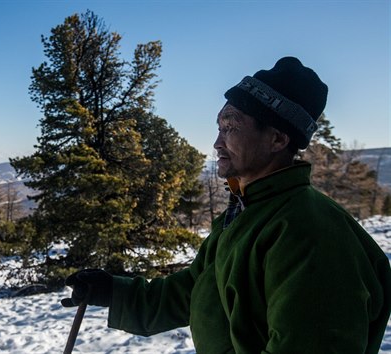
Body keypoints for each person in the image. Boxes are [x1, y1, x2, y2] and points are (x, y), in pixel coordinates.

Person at [61, 57, 391, 353]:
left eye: (231, 127)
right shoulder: (247, 212)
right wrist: (115, 293)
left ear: (277, 139)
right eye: (219, 127)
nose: (217, 142)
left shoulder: (308, 233)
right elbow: (197, 288)